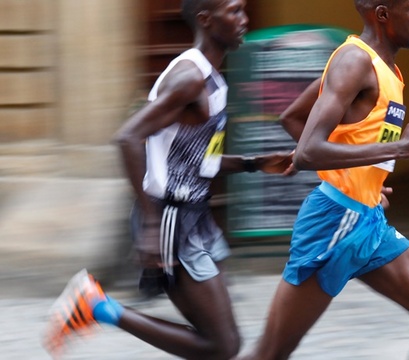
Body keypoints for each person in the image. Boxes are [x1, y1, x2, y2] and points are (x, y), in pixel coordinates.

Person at [42, 1, 293, 359]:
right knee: (223, 345)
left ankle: (97, 306)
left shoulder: (214, 80)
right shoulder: (189, 78)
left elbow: (198, 161)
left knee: (222, 340)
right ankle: (97, 306)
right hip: (169, 218)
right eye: (234, 11)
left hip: (195, 214)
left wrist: (254, 163)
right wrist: (149, 222)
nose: (245, 19)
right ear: (206, 19)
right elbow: (128, 137)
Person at [237, 1, 409, 359]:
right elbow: (307, 152)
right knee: (269, 354)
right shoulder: (353, 61)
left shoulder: (384, 69)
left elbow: (294, 116)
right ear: (382, 14)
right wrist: (400, 150)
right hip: (332, 223)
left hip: (367, 221)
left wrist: (365, 182)